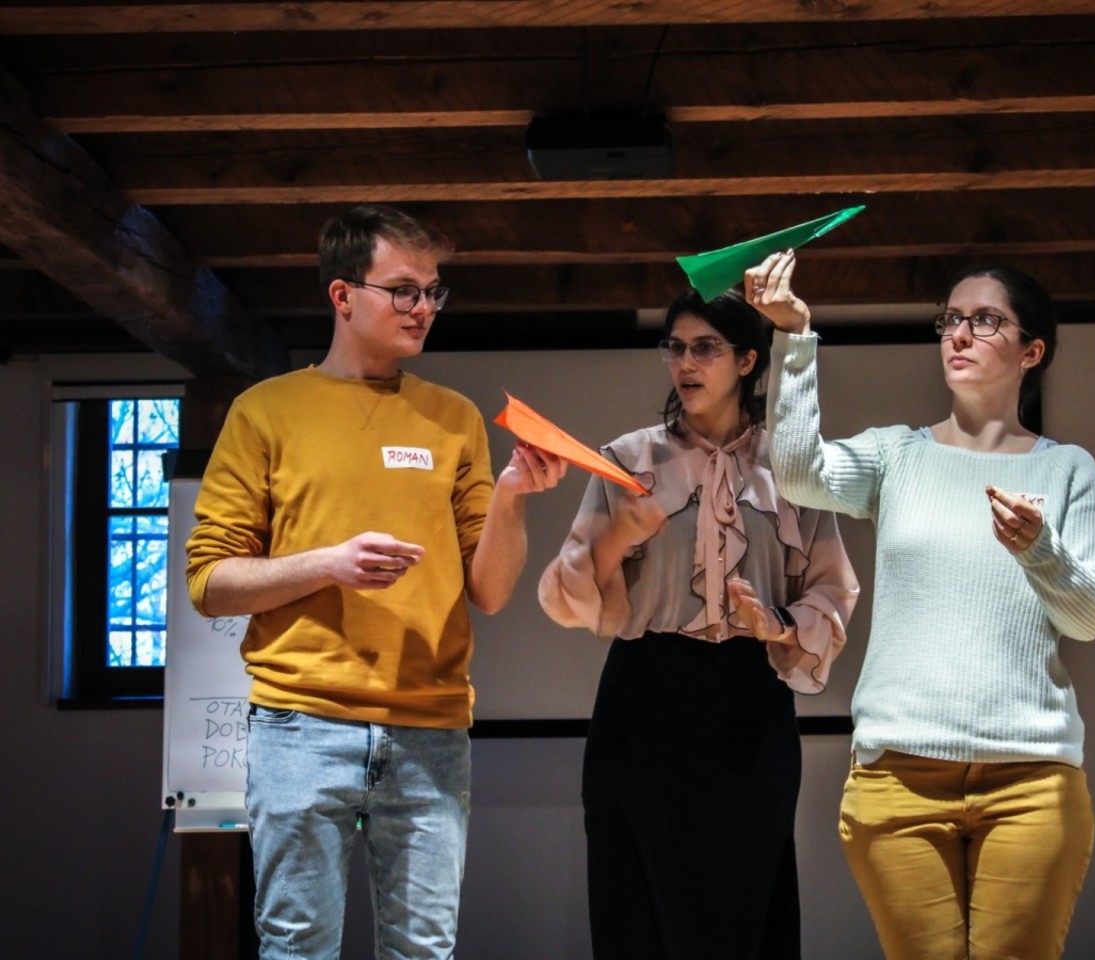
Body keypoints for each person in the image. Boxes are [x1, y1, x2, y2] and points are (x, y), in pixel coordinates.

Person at [185, 204, 567, 960]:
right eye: (403, 290)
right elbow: (210, 582)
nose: (423, 308)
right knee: (296, 947)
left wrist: (513, 495)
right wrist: (328, 564)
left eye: (432, 291)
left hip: (431, 726)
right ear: (342, 295)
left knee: (424, 949)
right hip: (301, 723)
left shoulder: (453, 418)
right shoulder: (266, 412)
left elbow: (491, 592)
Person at [749, 251, 1095, 960]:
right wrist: (793, 336)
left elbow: (1089, 617)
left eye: (986, 320)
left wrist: (1039, 549)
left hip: (1032, 777)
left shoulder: (1069, 468)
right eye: (950, 319)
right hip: (899, 775)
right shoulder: (897, 455)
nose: (959, 334)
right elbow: (797, 474)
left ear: (1031, 351)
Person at [539, 288, 860, 960]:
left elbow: (833, 588)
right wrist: (617, 537)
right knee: (638, 915)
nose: (685, 363)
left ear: (747, 360)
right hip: (644, 704)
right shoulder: (627, 458)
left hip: (749, 708)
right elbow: (568, 599)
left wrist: (777, 625)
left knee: (741, 915)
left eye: (705, 348)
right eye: (676, 348)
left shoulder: (791, 468)